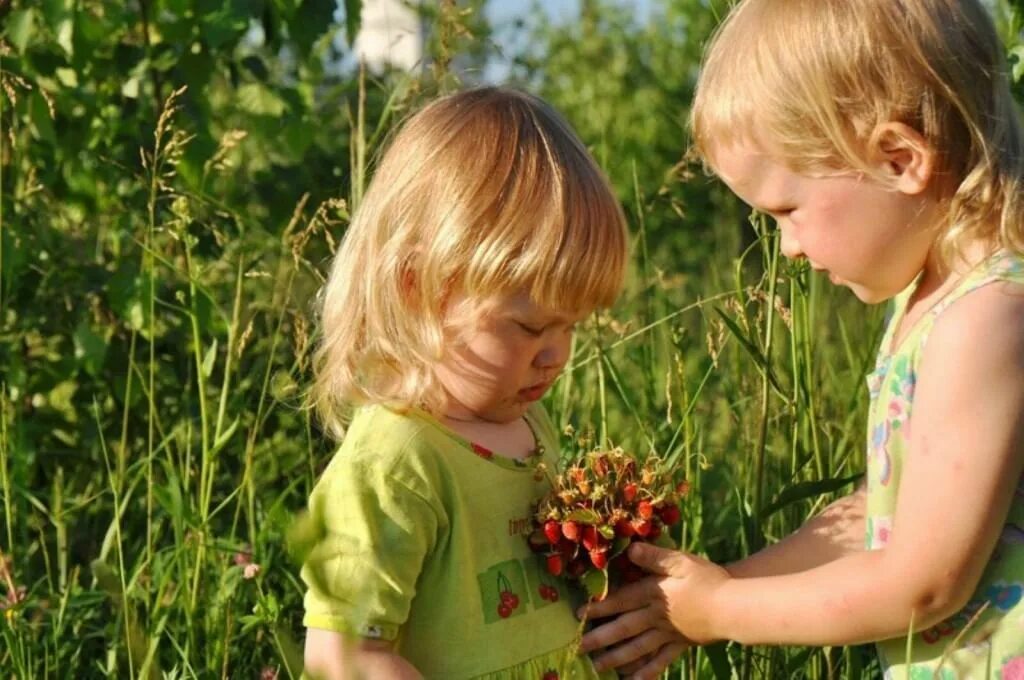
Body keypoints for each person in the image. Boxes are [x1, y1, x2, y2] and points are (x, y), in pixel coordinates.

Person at [577, 1, 1024, 678]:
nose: (785, 248)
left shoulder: (986, 320)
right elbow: (884, 511)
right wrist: (720, 587)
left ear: (900, 159)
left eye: (787, 210)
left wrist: (723, 611)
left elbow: (924, 584)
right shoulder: (929, 302)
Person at [299, 86, 629, 679]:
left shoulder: (528, 426)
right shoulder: (397, 462)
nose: (555, 354)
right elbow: (341, 655)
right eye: (528, 326)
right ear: (416, 286)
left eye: (571, 326)